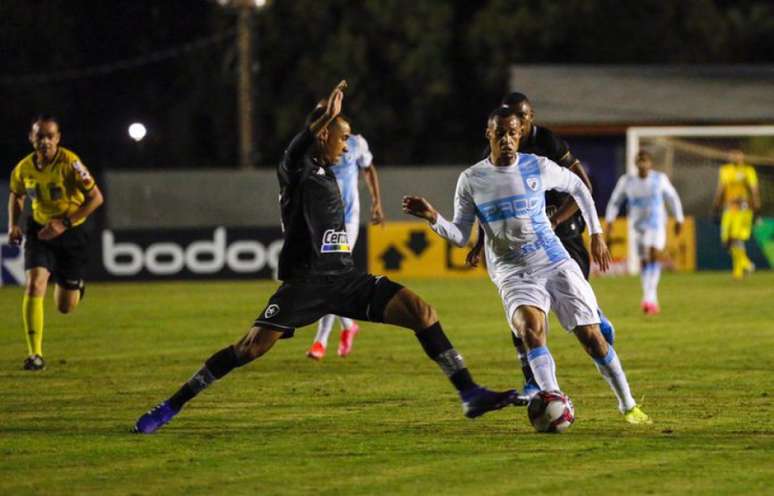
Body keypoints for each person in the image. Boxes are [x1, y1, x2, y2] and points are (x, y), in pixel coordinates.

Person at [133, 81, 518, 434]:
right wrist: (326, 116)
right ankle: (171, 405)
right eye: (342, 138)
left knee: (422, 312)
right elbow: (295, 150)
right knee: (248, 348)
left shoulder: (328, 169)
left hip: (345, 277)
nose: (346, 147)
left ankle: (469, 393)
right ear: (322, 136)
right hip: (307, 283)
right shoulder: (296, 170)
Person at [403, 106, 651, 424]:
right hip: (512, 271)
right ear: (489, 134)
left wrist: (596, 233)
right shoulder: (471, 180)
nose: (507, 138)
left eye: (513, 132)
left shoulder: (538, 166)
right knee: (530, 331)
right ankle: (554, 399)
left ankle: (628, 404)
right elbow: (460, 234)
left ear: (520, 135)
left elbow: (579, 187)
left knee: (592, 338)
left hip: (552, 259)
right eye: (500, 133)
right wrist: (433, 218)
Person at [466, 92, 615, 398]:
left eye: (523, 117)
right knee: (521, 312)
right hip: (524, 234)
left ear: (530, 118)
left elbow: (581, 186)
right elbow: (487, 206)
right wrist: (481, 241)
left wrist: (560, 220)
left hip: (564, 226)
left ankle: (594, 317)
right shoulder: (497, 146)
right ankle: (533, 379)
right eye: (512, 118)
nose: (517, 124)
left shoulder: (547, 142)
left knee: (571, 290)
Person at [7, 116, 104, 371]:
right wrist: (13, 224)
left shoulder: (71, 163)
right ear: (31, 138)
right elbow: (16, 195)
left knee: (65, 307)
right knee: (34, 284)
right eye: (40, 136)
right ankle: (35, 354)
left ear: (58, 138)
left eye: (50, 136)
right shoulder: (23, 168)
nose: (45, 141)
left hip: (71, 234)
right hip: (40, 231)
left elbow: (96, 198)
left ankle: (76, 285)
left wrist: (65, 223)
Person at [307, 126, 384, 360]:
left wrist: (376, 203)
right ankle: (349, 325)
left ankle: (321, 340)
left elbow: (368, 170)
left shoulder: (355, 143)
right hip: (323, 219)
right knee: (328, 277)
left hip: (348, 219)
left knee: (330, 274)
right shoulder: (313, 145)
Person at [605, 151, 684, 314]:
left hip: (656, 225)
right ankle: (650, 299)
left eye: (645, 161)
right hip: (637, 227)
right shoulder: (627, 181)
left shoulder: (659, 179)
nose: (642, 164)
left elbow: (672, 198)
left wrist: (679, 218)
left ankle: (649, 298)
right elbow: (615, 200)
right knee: (644, 261)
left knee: (653, 253)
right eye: (639, 161)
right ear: (635, 163)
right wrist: (610, 220)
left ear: (650, 163)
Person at [712, 149, 760, 280]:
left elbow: (754, 189)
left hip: (743, 208)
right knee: (726, 240)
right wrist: (716, 204)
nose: (735, 157)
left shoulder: (748, 171)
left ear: (742, 156)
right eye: (732, 154)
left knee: (735, 237)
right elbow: (721, 188)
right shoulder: (725, 170)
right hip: (728, 208)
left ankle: (738, 271)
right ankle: (747, 264)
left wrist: (756, 206)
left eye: (737, 154)